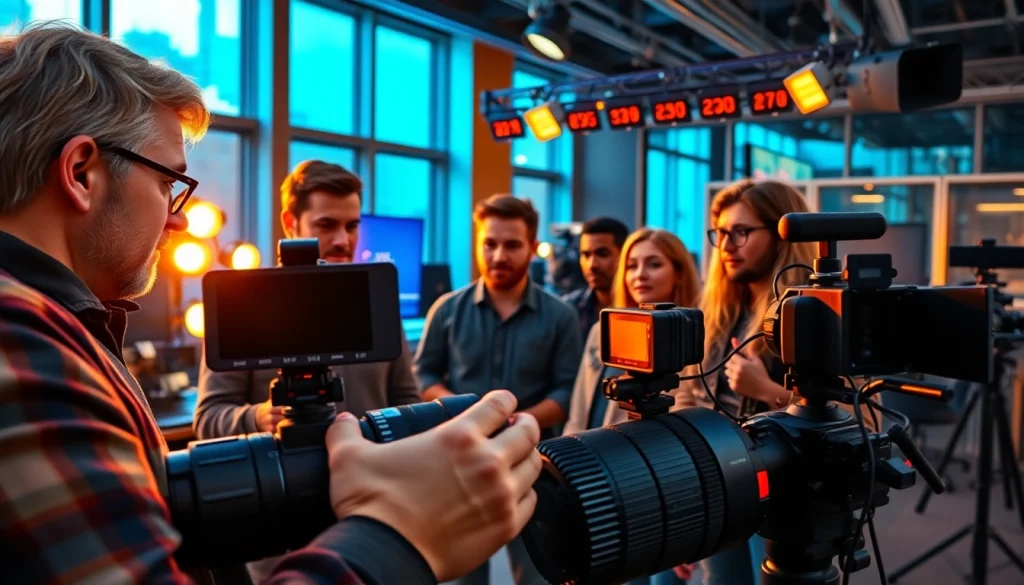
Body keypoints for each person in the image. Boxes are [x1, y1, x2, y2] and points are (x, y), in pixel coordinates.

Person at [0, 22, 541, 585]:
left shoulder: (63, 331)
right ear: (82, 172)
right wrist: (401, 534)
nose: (179, 217)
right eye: (169, 183)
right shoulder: (22, 348)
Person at [193, 160, 423, 580]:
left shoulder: (376, 305)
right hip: (283, 530)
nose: (342, 240)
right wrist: (261, 416)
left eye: (352, 225)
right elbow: (209, 418)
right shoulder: (243, 305)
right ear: (290, 222)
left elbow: (407, 402)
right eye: (326, 224)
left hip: (376, 524)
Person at [413, 194, 583, 585]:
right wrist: (468, 418)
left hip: (535, 467)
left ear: (530, 246)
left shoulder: (560, 316)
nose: (498, 255)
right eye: (489, 243)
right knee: (464, 576)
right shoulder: (447, 309)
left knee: (538, 573)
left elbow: (565, 391)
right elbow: (423, 375)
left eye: (512, 245)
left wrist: (510, 424)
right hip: (460, 463)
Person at [565, 228, 700, 434]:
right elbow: (578, 413)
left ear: (679, 273)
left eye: (654, 264)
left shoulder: (694, 339)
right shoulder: (601, 329)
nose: (640, 275)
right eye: (631, 266)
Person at [562, 217, 630, 341]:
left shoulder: (639, 310)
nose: (592, 265)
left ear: (624, 256)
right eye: (586, 255)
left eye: (602, 254)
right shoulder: (568, 309)